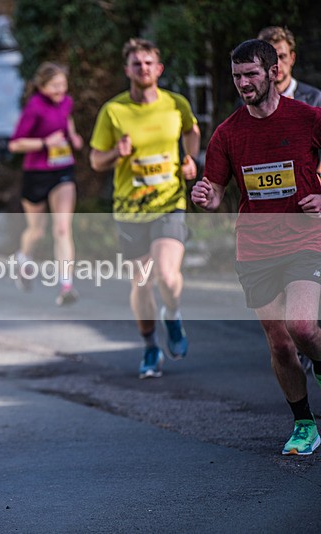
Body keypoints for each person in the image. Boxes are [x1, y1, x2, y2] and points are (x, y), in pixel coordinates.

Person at [192, 39, 321, 455]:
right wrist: (205, 196)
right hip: (256, 247)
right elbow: (215, 191)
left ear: (272, 71)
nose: (243, 83)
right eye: (236, 76)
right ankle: (304, 423)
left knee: (302, 327)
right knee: (280, 341)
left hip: (305, 237)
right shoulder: (228, 133)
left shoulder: (308, 118)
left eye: (250, 74)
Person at [89, 38, 200, 378]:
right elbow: (95, 160)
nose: (143, 69)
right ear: (127, 70)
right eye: (137, 64)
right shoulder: (114, 111)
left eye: (149, 63)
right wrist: (116, 154)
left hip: (169, 201)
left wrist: (190, 159)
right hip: (130, 208)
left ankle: (174, 314)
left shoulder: (175, 104)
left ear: (159, 68)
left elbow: (192, 130)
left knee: (166, 274)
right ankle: (151, 345)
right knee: (142, 282)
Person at [258, 26, 321, 375]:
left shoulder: (313, 100)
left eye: (281, 56)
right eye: (269, 58)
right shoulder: (251, 102)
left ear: (291, 58)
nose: (276, 65)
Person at [8, 62, 84, 305]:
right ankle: (23, 257)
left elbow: (66, 119)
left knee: (62, 229)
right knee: (37, 231)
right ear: (41, 87)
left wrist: (73, 136)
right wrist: (44, 143)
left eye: (63, 85)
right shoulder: (34, 108)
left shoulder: (66, 102)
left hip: (62, 171)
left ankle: (66, 286)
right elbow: (15, 144)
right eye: (55, 86)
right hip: (36, 173)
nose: (61, 90)